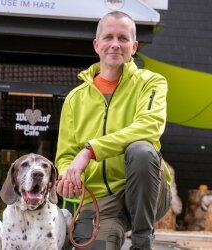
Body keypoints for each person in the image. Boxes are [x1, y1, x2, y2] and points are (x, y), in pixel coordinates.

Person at [55, 11, 172, 250]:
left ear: (134, 46)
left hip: (147, 191)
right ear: (97, 45)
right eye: (108, 37)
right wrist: (69, 175)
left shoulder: (152, 82)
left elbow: (149, 127)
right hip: (100, 201)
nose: (115, 44)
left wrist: (90, 150)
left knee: (142, 150)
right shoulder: (74, 100)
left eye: (123, 38)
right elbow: (66, 155)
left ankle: (142, 242)